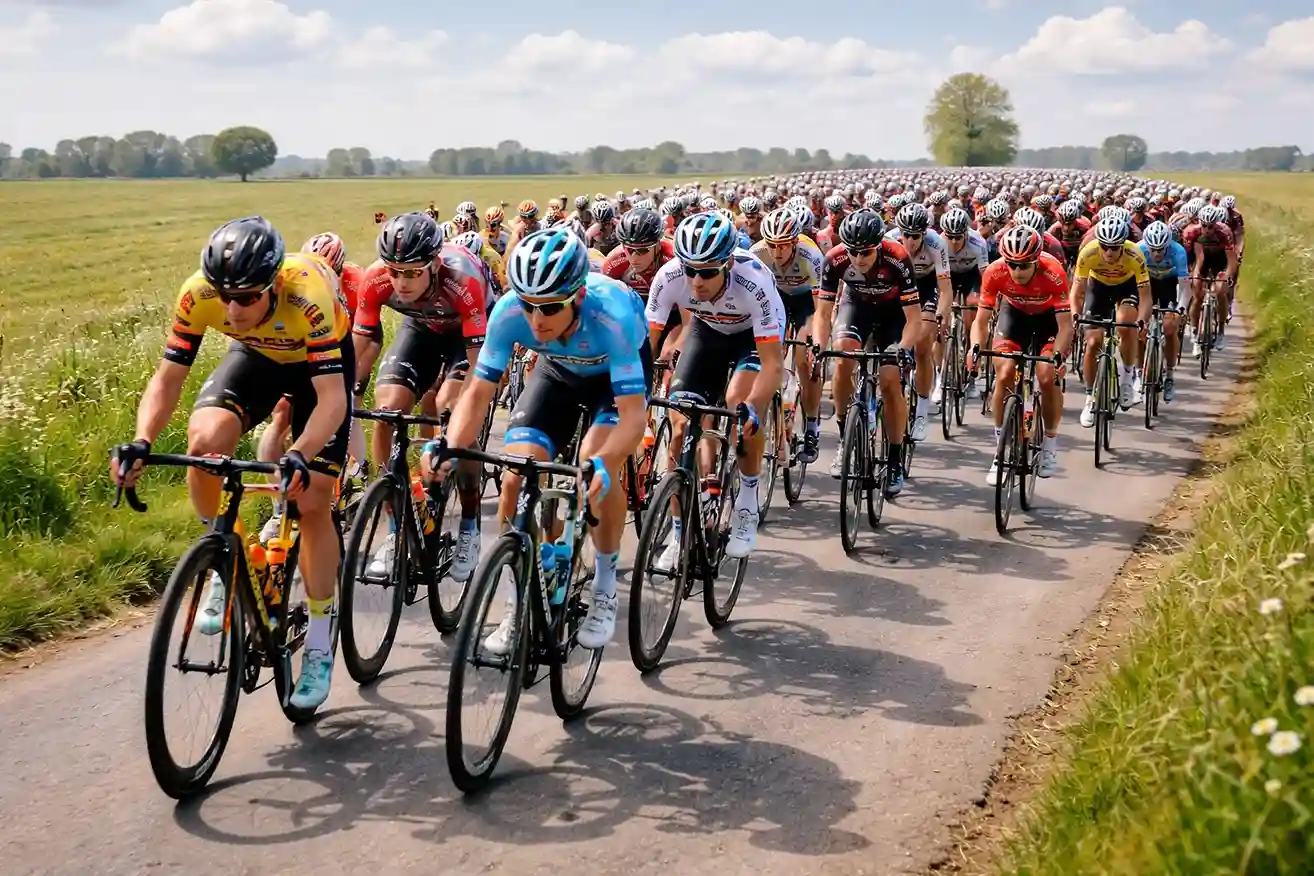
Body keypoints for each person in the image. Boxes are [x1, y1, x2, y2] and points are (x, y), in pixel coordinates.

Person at [110, 216, 351, 710]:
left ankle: (322, 642)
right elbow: (167, 379)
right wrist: (141, 440)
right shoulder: (198, 294)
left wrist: (300, 454)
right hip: (258, 358)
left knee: (312, 501)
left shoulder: (306, 294)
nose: (231, 307)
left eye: (245, 298)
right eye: (224, 295)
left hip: (317, 370)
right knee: (204, 444)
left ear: (272, 286)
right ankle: (224, 558)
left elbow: (332, 401)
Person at [423, 228, 651, 652]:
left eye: (548, 307)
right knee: (514, 477)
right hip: (558, 372)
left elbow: (634, 420)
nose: (535, 319)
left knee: (593, 463)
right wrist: (449, 446)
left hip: (610, 380)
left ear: (577, 297)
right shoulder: (509, 311)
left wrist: (605, 463)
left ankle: (604, 584)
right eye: (528, 305)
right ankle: (520, 596)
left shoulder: (612, 316)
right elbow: (476, 393)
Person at [354, 212, 489, 582]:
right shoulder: (376, 280)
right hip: (422, 330)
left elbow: (481, 372)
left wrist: (457, 425)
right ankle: (395, 524)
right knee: (387, 411)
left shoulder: (462, 282)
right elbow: (359, 344)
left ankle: (470, 522)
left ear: (434, 264)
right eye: (395, 271)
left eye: (413, 272)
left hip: (466, 332)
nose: (402, 281)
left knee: (452, 405)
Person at [645, 211, 786, 562]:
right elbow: (645, 350)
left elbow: (772, 365)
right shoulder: (668, 278)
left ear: (727, 264)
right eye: (689, 269)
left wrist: (754, 405)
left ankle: (748, 503)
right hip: (706, 332)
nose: (696, 280)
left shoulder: (753, 281)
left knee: (740, 401)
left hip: (752, 337)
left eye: (707, 272)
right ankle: (679, 535)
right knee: (679, 425)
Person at [970, 225, 1072, 483]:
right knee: (1004, 374)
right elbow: (981, 322)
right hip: (1014, 317)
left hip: (1048, 322)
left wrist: (1058, 356)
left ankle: (1049, 444)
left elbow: (1066, 326)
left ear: (1036, 260)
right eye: (1012, 264)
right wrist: (974, 349)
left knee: (1047, 377)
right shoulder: (995, 271)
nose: (1017, 271)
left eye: (1024, 265)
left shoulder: (1054, 273)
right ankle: (999, 451)